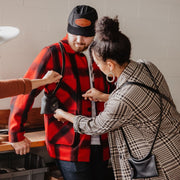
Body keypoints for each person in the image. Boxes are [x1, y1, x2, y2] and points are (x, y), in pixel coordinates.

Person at [54, 16, 180, 180]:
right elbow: (143, 100)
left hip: (158, 166)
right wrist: (105, 97)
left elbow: (94, 126)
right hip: (175, 148)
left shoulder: (122, 99)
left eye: (98, 64)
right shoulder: (147, 66)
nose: (98, 67)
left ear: (110, 65)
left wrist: (64, 115)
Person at [8, 5, 114, 180]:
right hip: (70, 146)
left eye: (86, 35)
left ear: (94, 33)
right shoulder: (53, 53)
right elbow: (25, 91)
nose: (80, 40)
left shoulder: (102, 55)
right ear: (68, 29)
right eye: (75, 34)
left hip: (103, 144)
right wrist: (15, 134)